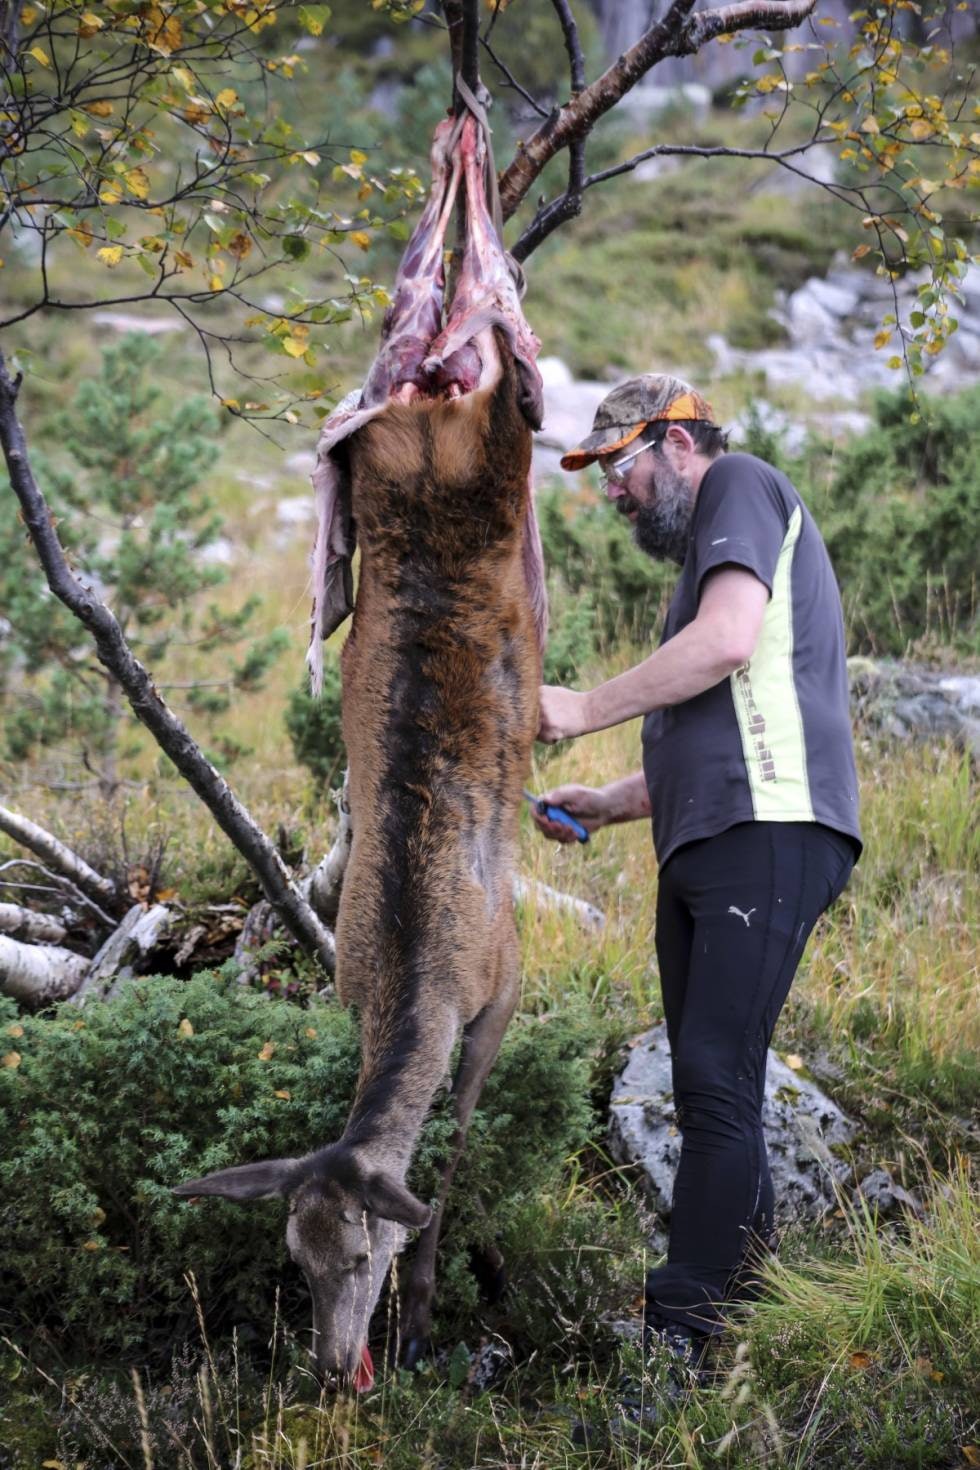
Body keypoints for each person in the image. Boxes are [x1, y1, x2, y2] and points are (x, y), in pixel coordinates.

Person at [531, 373, 861, 1368]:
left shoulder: (740, 488)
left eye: (617, 469)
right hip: (718, 837)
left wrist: (584, 705)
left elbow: (722, 648)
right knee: (710, 1080)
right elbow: (719, 718)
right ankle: (752, 1302)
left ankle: (679, 1333)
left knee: (714, 1084)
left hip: (771, 833)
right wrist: (609, 800)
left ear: (677, 443)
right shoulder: (706, 557)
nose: (611, 494)